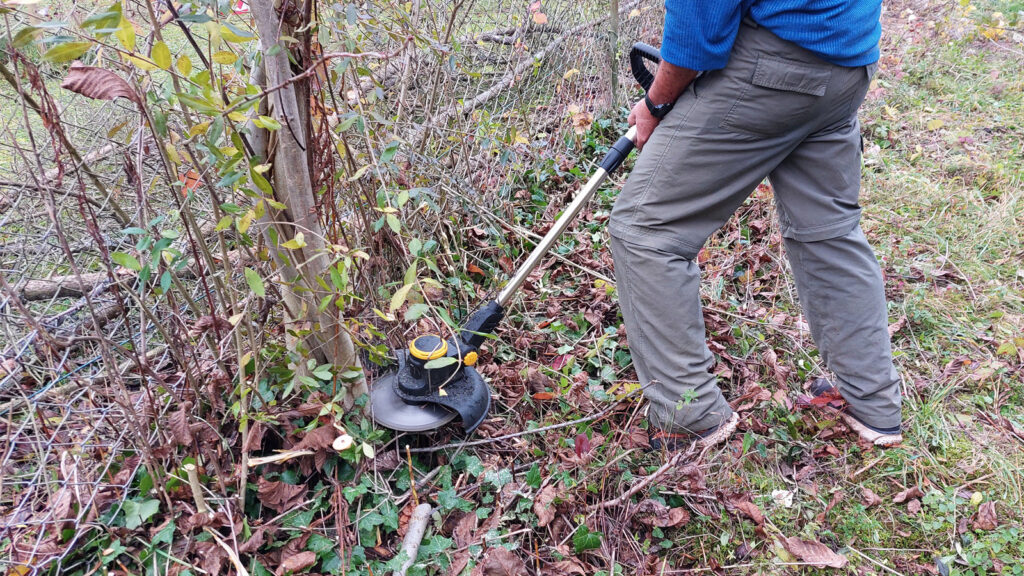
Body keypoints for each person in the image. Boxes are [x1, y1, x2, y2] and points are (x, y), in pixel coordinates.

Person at [610, 0, 903, 450]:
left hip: (776, 67)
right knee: (829, 231)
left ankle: (687, 414)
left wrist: (656, 100)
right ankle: (874, 401)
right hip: (848, 59)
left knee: (645, 230)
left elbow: (699, 27)